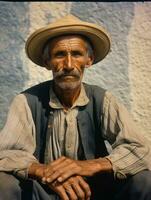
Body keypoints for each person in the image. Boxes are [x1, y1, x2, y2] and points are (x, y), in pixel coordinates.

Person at [0, 14, 150, 200]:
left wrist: (89, 166)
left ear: (89, 60)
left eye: (77, 54)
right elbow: (5, 154)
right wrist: (45, 172)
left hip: (93, 193)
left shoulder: (103, 99)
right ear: (47, 62)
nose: (69, 65)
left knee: (144, 180)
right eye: (60, 55)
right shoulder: (26, 101)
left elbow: (142, 150)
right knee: (3, 183)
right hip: (44, 191)